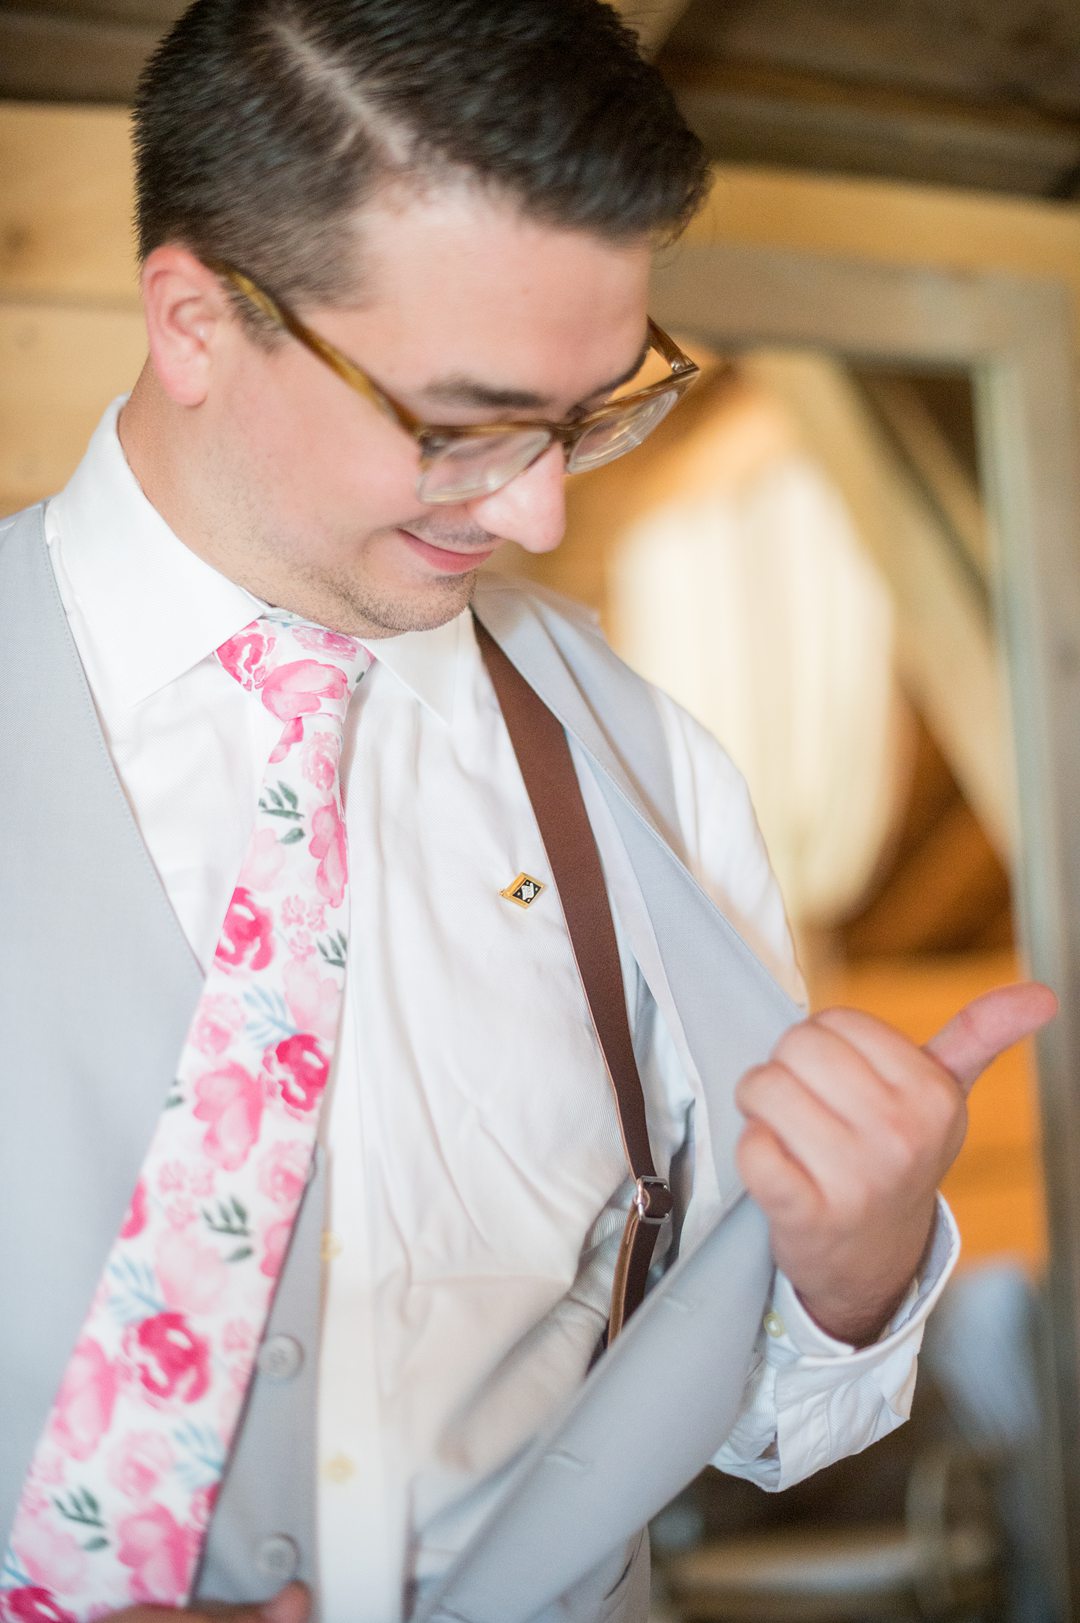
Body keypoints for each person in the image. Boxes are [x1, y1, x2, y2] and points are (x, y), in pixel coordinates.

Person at [0, 2, 1054, 1621]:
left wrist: (854, 1271)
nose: (542, 507)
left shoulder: (649, 773)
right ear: (197, 318)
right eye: (464, 424)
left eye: (593, 412)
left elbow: (770, 1414)